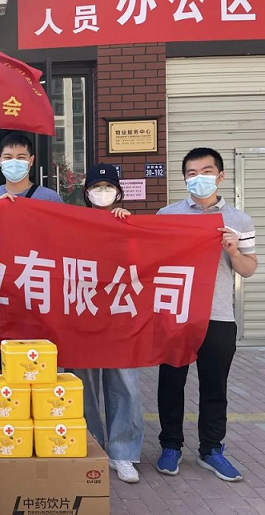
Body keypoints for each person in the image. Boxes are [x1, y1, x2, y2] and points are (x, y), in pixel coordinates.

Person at [156, 148, 258, 482]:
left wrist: (233, 251)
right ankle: (170, 445)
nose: (199, 178)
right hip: (177, 315)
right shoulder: (167, 215)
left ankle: (211, 449)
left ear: (221, 176)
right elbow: (150, 259)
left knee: (214, 386)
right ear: (184, 178)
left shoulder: (238, 220)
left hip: (219, 315)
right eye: (192, 173)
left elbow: (249, 268)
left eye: (206, 171)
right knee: (171, 383)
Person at [68, 164, 144, 484]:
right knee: (81, 384)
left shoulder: (129, 224)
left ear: (118, 191)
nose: (102, 192)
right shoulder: (72, 224)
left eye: (108, 187)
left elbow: (145, 263)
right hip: (82, 313)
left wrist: (129, 228)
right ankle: (92, 444)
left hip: (120, 314)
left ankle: (123, 452)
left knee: (124, 383)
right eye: (96, 187)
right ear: (86, 193)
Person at [0, 132, 64, 372]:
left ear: (31, 160)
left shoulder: (50, 198)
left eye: (21, 156)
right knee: (4, 367)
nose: (14, 162)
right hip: (2, 294)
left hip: (38, 293)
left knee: (40, 366)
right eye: (8, 157)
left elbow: (63, 243)